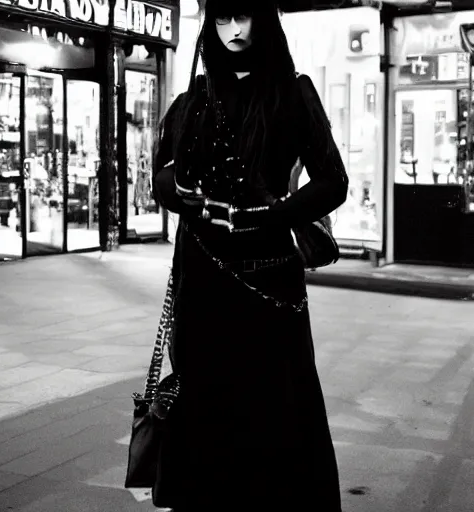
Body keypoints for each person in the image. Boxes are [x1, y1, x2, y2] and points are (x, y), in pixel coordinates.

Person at [152, 1, 348, 510]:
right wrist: (182, 194)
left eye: (244, 16)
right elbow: (160, 178)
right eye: (222, 18)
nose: (235, 30)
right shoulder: (193, 100)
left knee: (276, 415)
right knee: (208, 412)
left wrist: (271, 214)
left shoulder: (292, 92)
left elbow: (333, 182)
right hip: (202, 282)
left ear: (264, 19)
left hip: (267, 284)